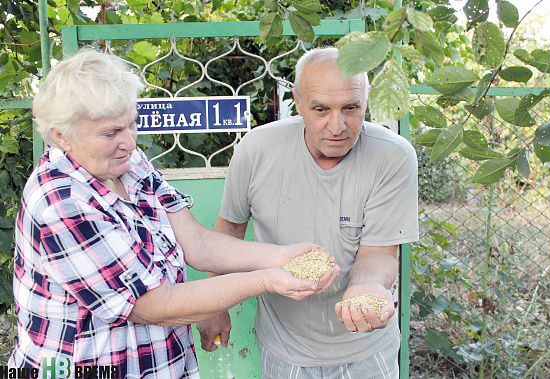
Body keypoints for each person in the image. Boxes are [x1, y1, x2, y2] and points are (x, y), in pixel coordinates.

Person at [8, 48, 338, 378]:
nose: (128, 141)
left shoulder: (124, 161)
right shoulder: (62, 203)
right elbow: (157, 305)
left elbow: (196, 242)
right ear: (61, 135)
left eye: (131, 125)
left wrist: (280, 256)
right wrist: (267, 279)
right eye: (110, 133)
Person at [197, 47, 419, 378]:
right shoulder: (257, 149)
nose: (337, 126)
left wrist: (368, 287)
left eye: (351, 108)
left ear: (366, 103)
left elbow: (380, 253)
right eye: (320, 109)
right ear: (298, 102)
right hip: (284, 349)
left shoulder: (393, 156)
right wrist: (213, 303)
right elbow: (228, 231)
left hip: (367, 348)